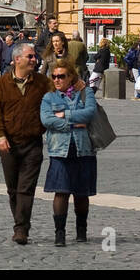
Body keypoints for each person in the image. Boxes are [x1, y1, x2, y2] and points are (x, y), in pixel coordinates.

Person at [0, 42, 54, 244]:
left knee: (25, 188)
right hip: (8, 144)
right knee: (12, 189)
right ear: (17, 59)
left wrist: (79, 86)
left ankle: (21, 229)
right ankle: (20, 223)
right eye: (30, 56)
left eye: (34, 57)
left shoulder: (42, 83)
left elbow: (62, 90)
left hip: (32, 143)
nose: (34, 60)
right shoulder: (1, 84)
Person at [41, 60, 99, 246]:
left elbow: (90, 113)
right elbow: (47, 120)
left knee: (82, 193)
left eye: (61, 76)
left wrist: (64, 115)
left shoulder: (85, 93)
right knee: (61, 192)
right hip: (60, 151)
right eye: (54, 76)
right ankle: (60, 233)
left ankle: (81, 231)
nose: (57, 80)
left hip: (84, 149)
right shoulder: (49, 97)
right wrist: (73, 123)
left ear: (71, 77)